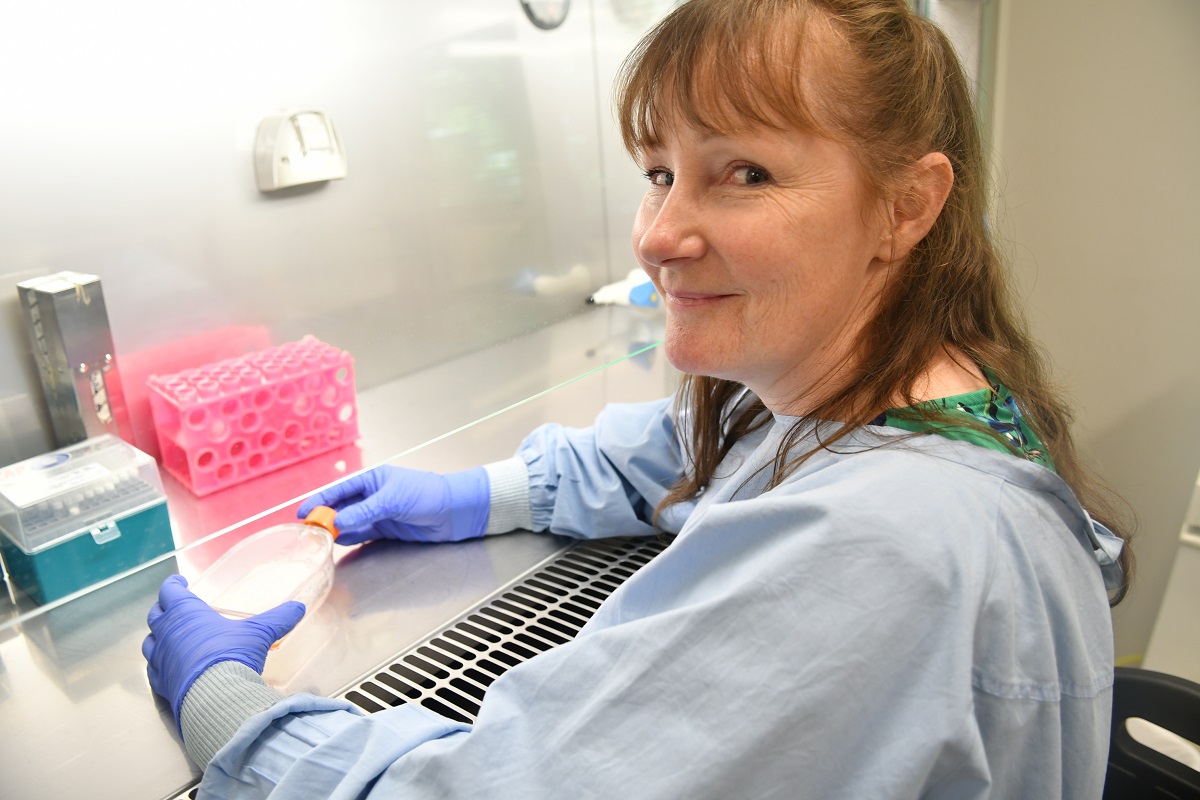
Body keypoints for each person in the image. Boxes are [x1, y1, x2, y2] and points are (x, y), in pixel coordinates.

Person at [143, 0, 1134, 796]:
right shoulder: (925, 388)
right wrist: (473, 494)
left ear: (907, 204)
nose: (659, 232)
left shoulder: (879, 548)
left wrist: (228, 705)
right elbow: (694, 442)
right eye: (659, 172)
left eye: (743, 173)